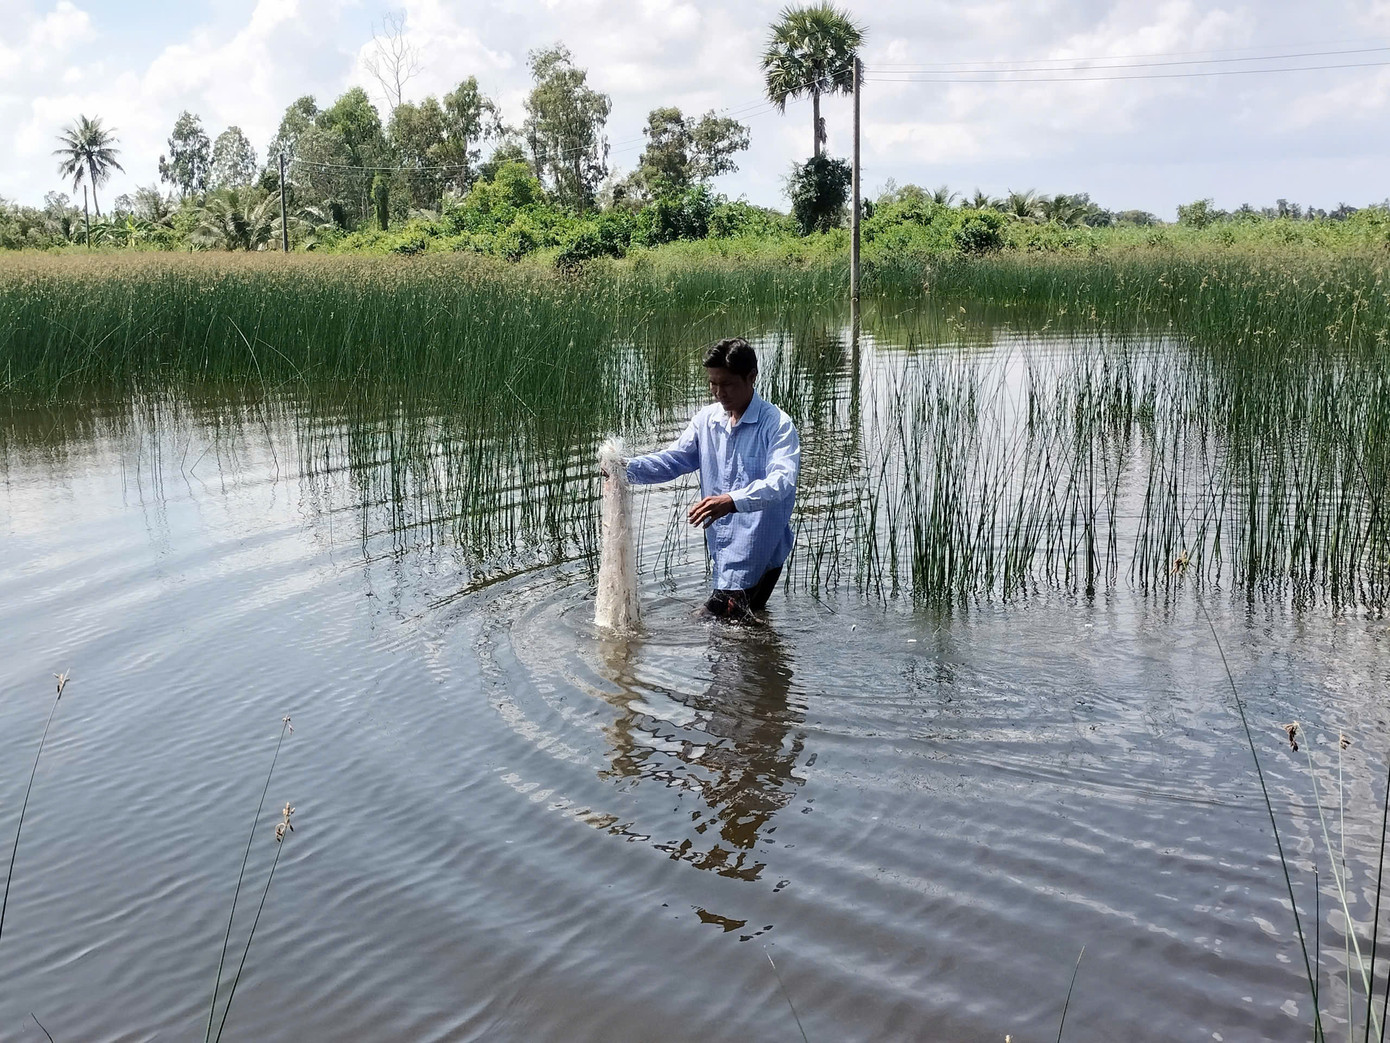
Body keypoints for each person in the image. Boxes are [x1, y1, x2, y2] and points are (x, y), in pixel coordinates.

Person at [625, 337, 801, 619]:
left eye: (728, 384)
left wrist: (732, 500)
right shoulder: (707, 420)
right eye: (713, 383)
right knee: (740, 632)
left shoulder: (777, 425)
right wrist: (625, 469)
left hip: (758, 550)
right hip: (724, 550)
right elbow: (675, 460)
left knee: (705, 623)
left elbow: (781, 481)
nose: (719, 393)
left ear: (751, 377)